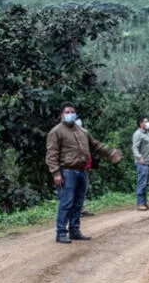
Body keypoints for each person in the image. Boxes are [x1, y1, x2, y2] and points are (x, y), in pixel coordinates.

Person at [46, 103, 122, 244]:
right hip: (67, 171)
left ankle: (75, 231)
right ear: (61, 115)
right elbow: (51, 154)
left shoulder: (82, 131)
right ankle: (61, 232)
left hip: (82, 171)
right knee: (66, 202)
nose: (70, 114)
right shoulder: (56, 132)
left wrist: (110, 152)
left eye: (72, 111)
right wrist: (56, 173)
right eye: (67, 112)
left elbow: (95, 145)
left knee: (78, 203)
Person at [75, 118, 94, 217]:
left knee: (83, 189)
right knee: (75, 189)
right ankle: (76, 210)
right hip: (75, 168)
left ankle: (82, 208)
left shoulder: (84, 135)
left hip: (85, 167)